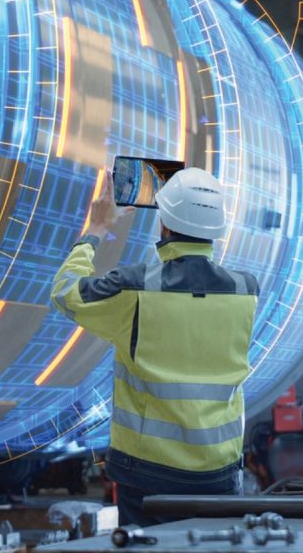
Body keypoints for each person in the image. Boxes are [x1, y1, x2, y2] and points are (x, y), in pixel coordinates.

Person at [50, 168, 258, 527]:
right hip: (220, 470)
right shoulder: (245, 290)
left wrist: (96, 228)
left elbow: (65, 292)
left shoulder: (135, 288)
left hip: (148, 472)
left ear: (164, 225)